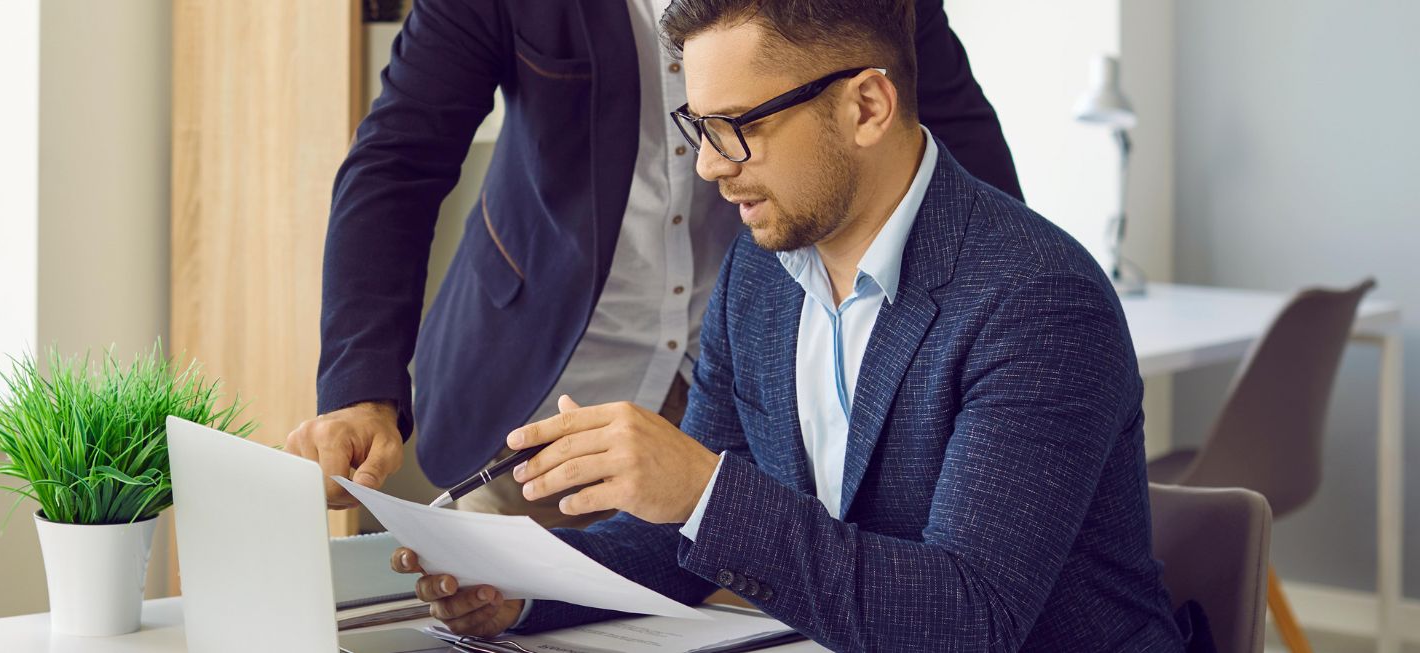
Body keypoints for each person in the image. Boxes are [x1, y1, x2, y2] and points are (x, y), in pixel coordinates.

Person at [390, 1, 1189, 649]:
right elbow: (674, 544)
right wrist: (520, 590)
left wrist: (703, 488)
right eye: (699, 126)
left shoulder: (1039, 301)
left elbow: (966, 618)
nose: (708, 165)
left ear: (867, 106)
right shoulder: (762, 276)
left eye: (740, 125)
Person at [291, 0, 1022, 527]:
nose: (710, 162)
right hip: (532, 415)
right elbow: (398, 162)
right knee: (486, 605)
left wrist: (1008, 333)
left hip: (750, 413)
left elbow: (951, 140)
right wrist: (360, 387)